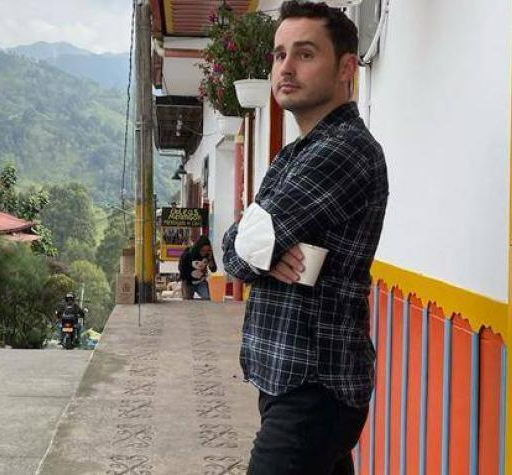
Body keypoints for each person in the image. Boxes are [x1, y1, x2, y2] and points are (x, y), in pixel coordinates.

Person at [221, 2, 389, 474]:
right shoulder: (294, 154)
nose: (286, 68)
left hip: (314, 387)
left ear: (347, 68)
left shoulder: (342, 150)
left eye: (305, 54)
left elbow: (242, 253)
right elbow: (237, 244)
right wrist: (256, 247)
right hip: (290, 378)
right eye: (279, 55)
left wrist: (257, 248)